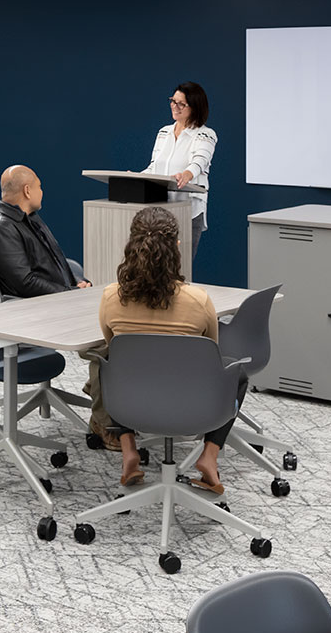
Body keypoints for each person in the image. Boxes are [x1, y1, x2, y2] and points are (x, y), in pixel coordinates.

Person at [98, 207, 234, 492]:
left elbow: (113, 347)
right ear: (177, 248)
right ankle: (209, 457)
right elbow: (213, 352)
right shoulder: (199, 300)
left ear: (131, 246)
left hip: (131, 403)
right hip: (194, 407)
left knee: (108, 365)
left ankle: (128, 451)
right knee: (235, 372)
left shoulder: (111, 297)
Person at [0, 164, 90, 298]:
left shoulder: (31, 218)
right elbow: (25, 283)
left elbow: (56, 264)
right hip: (35, 308)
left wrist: (78, 282)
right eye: (39, 187)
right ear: (27, 191)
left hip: (57, 298)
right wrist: (69, 292)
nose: (41, 192)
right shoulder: (1, 229)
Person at [146, 81, 215, 258]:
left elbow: (199, 161)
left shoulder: (205, 134)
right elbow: (154, 167)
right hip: (160, 210)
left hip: (188, 210)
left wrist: (187, 174)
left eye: (181, 104)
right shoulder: (163, 132)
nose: (174, 107)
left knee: (181, 267)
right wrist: (135, 178)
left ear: (195, 107)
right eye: (173, 101)